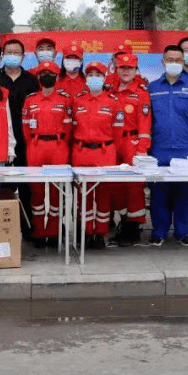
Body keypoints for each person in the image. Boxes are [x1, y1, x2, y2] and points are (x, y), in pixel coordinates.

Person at [148, 45, 188, 246]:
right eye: (170, 60)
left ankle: (184, 232)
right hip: (158, 148)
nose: (174, 64)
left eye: (178, 60)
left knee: (185, 192)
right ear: (163, 62)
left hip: (185, 149)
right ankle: (159, 231)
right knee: (158, 192)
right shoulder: (152, 88)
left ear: (184, 61)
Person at [71, 61, 124, 249]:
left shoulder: (113, 102)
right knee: (82, 194)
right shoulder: (77, 101)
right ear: (87, 79)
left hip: (105, 152)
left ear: (104, 78)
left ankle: (101, 233)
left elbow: (118, 133)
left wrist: (111, 150)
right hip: (81, 151)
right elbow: (72, 127)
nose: (94, 78)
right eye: (91, 75)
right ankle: (86, 232)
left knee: (103, 193)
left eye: (98, 75)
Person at [22, 61, 72, 248]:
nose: (46, 76)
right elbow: (25, 128)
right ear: (38, 77)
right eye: (43, 73)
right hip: (35, 146)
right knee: (36, 190)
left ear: (57, 76)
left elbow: (69, 128)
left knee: (56, 190)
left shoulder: (65, 99)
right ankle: (39, 231)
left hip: (58, 146)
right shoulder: (30, 99)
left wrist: (60, 145)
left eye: (50, 73)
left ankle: (54, 230)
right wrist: (34, 144)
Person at [0, 38, 39, 239]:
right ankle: (3, 229)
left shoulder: (32, 81)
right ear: (2, 55)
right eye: (9, 52)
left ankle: (27, 227)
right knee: (2, 187)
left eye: (17, 52)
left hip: (26, 141)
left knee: (26, 187)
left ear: (23, 56)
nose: (12, 55)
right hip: (0, 142)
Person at [109, 52, 152, 246]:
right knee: (115, 185)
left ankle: (133, 227)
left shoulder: (141, 93)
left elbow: (145, 125)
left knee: (134, 187)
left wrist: (142, 149)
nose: (126, 71)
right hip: (112, 145)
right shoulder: (109, 90)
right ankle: (123, 221)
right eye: (122, 68)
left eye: (130, 68)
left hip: (132, 144)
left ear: (136, 70)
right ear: (116, 69)